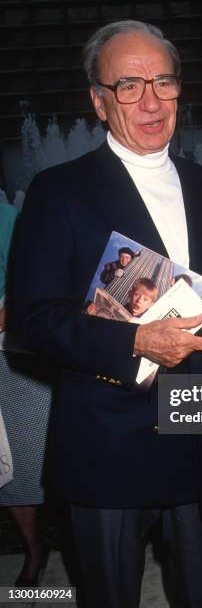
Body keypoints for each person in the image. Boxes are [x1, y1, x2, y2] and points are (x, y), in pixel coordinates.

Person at [11, 20, 202, 608]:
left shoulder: (201, 184)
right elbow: (33, 320)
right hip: (109, 442)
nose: (149, 101)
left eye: (163, 82)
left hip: (200, 427)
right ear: (98, 100)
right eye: (128, 85)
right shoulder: (57, 190)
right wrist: (135, 342)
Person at [0, 202, 52, 586]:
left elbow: (30, 289)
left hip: (12, 356)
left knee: (32, 457)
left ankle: (43, 549)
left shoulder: (7, 217)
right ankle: (35, 549)